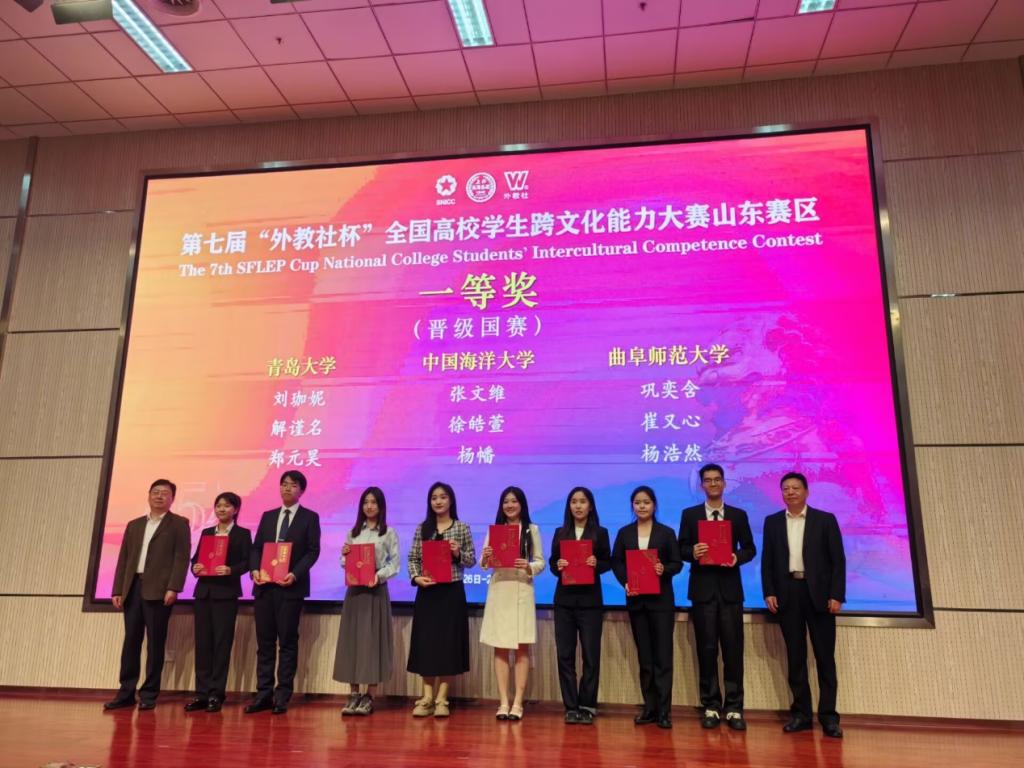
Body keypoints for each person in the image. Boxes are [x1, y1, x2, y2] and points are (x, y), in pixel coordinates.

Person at [761, 472, 846, 738]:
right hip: (788, 593)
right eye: (785, 488)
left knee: (824, 657)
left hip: (819, 596)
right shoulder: (773, 522)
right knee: (795, 657)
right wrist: (769, 591)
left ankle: (829, 717)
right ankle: (801, 714)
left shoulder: (825, 520)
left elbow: (838, 561)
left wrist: (836, 595)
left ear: (806, 491)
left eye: (795, 488)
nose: (790, 492)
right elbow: (767, 561)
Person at [678, 463, 756, 730]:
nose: (712, 484)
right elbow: (680, 549)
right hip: (702, 592)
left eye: (717, 479)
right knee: (707, 649)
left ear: (724, 483)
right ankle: (710, 705)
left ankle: (734, 708)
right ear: (702, 485)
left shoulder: (737, 515)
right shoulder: (690, 515)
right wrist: (693, 552)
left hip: (730, 592)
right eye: (708, 480)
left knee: (733, 650)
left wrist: (736, 557)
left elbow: (750, 549)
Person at [105, 479, 190, 711]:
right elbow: (124, 558)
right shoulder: (134, 525)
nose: (159, 496)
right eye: (155, 492)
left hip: (159, 591)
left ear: (172, 498)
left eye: (165, 493)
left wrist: (174, 587)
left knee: (155, 643)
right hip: (132, 589)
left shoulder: (179, 524)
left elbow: (181, 558)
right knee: (131, 642)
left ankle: (149, 694)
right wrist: (118, 589)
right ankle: (126, 692)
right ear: (149, 495)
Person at [246, 470, 321, 715]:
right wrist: (254, 570)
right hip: (265, 588)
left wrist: (295, 574)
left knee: (287, 642)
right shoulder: (268, 516)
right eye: (284, 484)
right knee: (265, 643)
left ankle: (282, 696)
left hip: (290, 589)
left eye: (293, 485)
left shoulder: (310, 517)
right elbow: (256, 548)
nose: (287, 488)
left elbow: (313, 551)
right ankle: (263, 694)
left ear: (302, 490)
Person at [611, 485, 682, 729]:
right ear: (632, 506)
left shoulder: (666, 533)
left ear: (654, 505)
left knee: (663, 656)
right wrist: (626, 582)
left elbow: (677, 563)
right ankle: (649, 708)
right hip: (637, 601)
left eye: (646, 502)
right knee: (645, 658)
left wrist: (664, 569)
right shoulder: (624, 533)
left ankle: (664, 711)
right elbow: (616, 562)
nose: (642, 506)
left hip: (661, 602)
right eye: (637, 502)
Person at [406, 481, 476, 718]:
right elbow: (413, 558)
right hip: (427, 592)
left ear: (451, 500)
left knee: (448, 644)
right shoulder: (422, 529)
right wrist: (416, 578)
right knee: (426, 644)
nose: (438, 501)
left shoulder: (462, 527)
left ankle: (442, 698)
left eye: (443, 497)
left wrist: (457, 552)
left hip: (451, 593)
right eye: (434, 497)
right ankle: (426, 697)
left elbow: (471, 560)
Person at [480, 486, 544, 722]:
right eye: (506, 501)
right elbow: (483, 565)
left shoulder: (531, 530)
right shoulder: (495, 530)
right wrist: (486, 557)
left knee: (521, 648)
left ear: (521, 504)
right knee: (499, 647)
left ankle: (517, 702)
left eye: (514, 501)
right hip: (499, 591)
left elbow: (540, 562)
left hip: (521, 590)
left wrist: (528, 566)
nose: (509, 505)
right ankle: (503, 702)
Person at [333, 487, 399, 716]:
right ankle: (353, 694)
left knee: (372, 642)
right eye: (365, 502)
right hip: (354, 593)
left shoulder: (388, 533)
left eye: (373, 502)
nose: (369, 506)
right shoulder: (353, 533)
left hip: (375, 592)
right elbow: (344, 562)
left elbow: (395, 565)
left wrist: (378, 576)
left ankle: (369, 695)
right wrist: (344, 555)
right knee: (352, 641)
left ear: (381, 506)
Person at [185, 492, 252, 713]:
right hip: (204, 593)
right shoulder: (207, 532)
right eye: (218, 505)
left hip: (226, 594)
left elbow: (248, 562)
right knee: (203, 644)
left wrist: (231, 570)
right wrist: (195, 567)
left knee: (222, 644)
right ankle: (201, 694)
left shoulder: (242, 534)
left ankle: (216, 694)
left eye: (227, 506)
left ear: (236, 510)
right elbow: (196, 559)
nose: (222, 509)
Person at [549, 486, 611, 725]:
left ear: (590, 506)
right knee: (565, 655)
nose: (578, 506)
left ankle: (587, 705)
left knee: (591, 656)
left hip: (590, 602)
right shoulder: (560, 532)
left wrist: (597, 563)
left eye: (582, 501)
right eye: (574, 501)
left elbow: (607, 562)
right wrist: (559, 566)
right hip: (564, 602)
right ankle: (571, 706)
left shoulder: (600, 533)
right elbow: (553, 564)